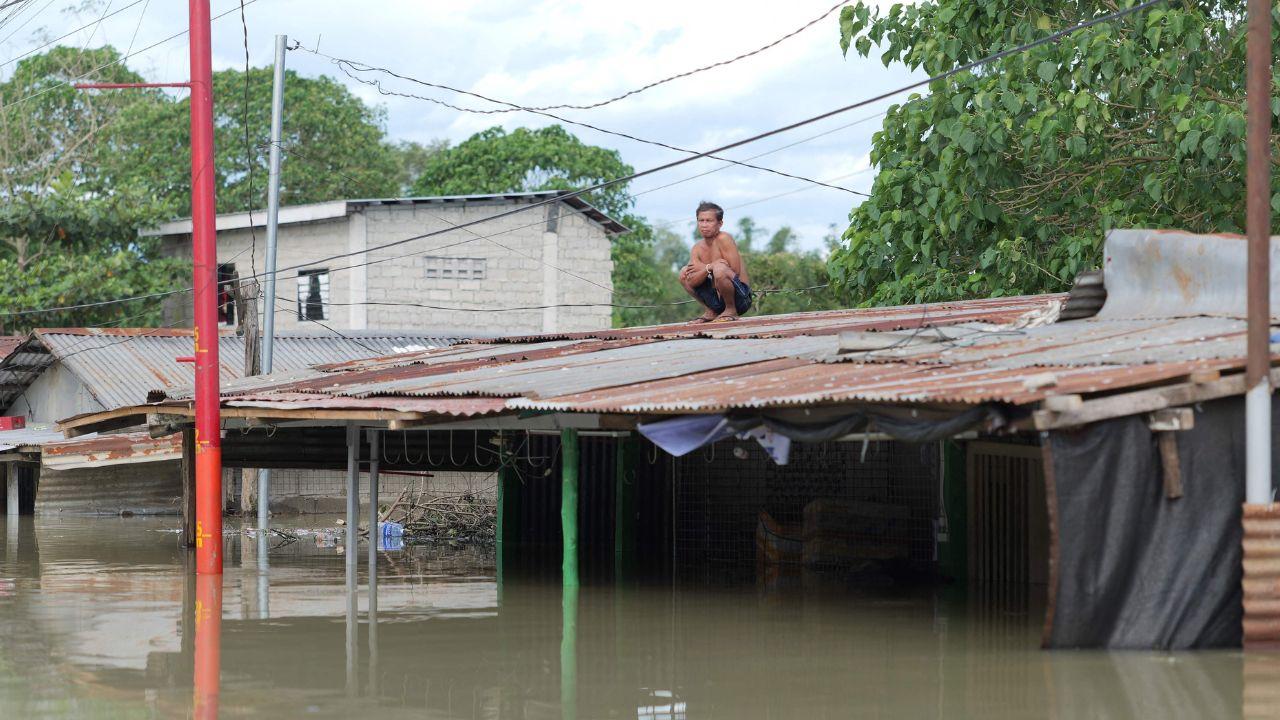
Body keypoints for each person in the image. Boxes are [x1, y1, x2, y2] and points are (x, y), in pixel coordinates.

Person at [679, 201, 752, 323]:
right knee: (684, 272)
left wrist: (710, 267)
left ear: (720, 223)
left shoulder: (724, 238)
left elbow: (735, 271)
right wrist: (708, 267)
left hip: (740, 299)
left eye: (709, 221)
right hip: (716, 302)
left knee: (719, 268)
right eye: (701, 221)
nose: (704, 225)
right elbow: (691, 281)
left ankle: (731, 309)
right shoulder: (697, 248)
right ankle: (711, 311)